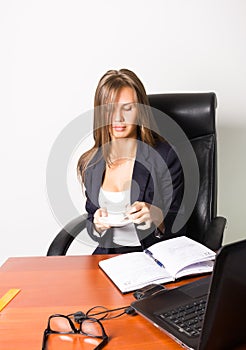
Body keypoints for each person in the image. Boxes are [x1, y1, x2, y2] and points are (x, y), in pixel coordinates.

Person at [77, 68, 186, 254]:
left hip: (152, 257)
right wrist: (97, 225)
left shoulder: (166, 157)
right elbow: (91, 221)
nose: (118, 118)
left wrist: (157, 217)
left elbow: (180, 225)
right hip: (108, 259)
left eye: (128, 108)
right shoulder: (91, 163)